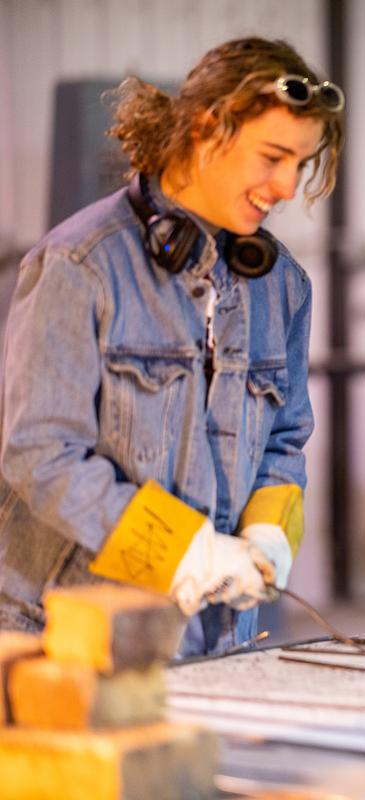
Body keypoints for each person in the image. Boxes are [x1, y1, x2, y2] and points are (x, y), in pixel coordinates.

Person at [0, 37, 344, 656]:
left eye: (301, 163)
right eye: (273, 157)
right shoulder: (80, 265)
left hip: (212, 642)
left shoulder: (283, 286)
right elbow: (41, 455)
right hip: (69, 640)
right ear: (209, 127)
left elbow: (285, 442)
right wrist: (180, 549)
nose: (288, 186)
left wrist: (267, 535)